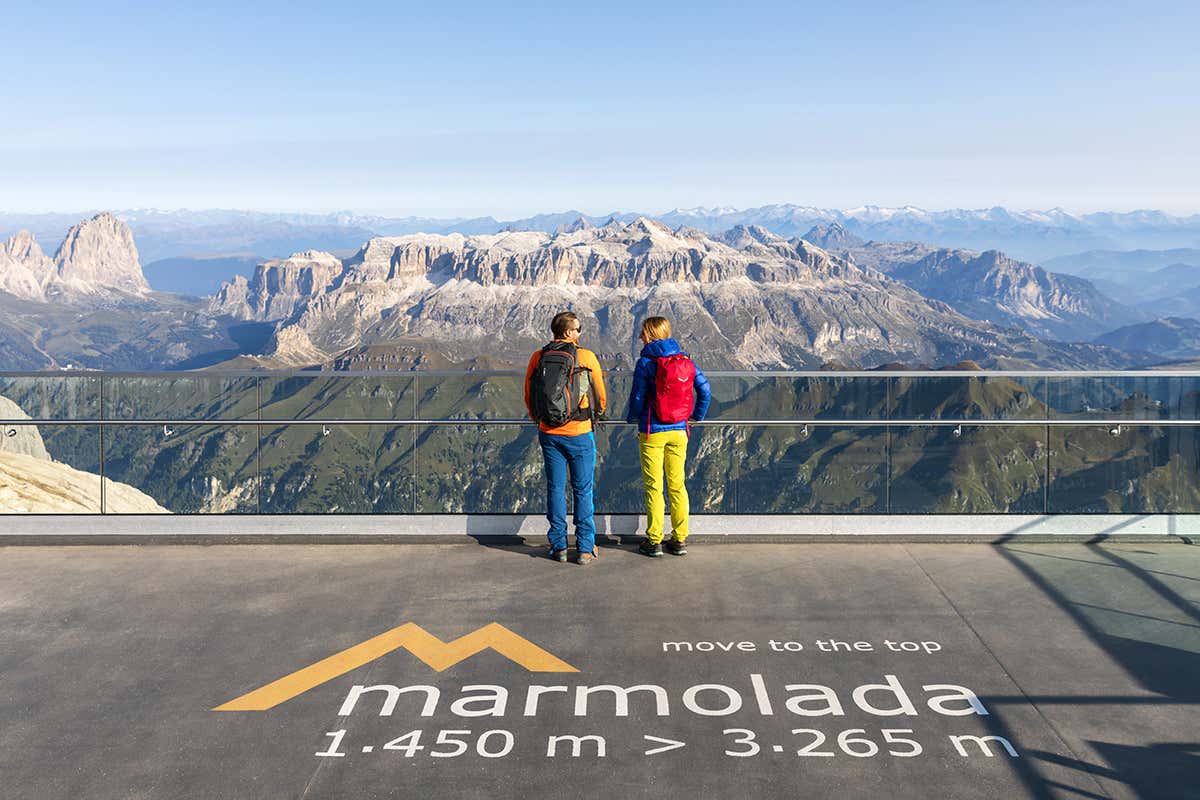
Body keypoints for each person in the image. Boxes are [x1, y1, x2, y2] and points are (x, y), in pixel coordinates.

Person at [525, 311, 607, 564]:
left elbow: (529, 393)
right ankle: (584, 548)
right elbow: (600, 393)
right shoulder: (586, 356)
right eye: (578, 329)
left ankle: (558, 546)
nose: (580, 333)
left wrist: (536, 417)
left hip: (549, 432)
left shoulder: (538, 357)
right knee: (582, 490)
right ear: (570, 332)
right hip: (580, 432)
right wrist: (599, 413)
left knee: (556, 489)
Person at [625, 316, 711, 557]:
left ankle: (654, 540)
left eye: (643, 333)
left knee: (654, 486)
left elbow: (639, 397)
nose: (640, 336)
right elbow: (705, 390)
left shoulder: (645, 362)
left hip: (653, 431)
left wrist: (633, 417)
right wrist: (696, 417)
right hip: (679, 430)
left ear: (651, 334)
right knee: (677, 485)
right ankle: (679, 539)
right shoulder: (685, 360)